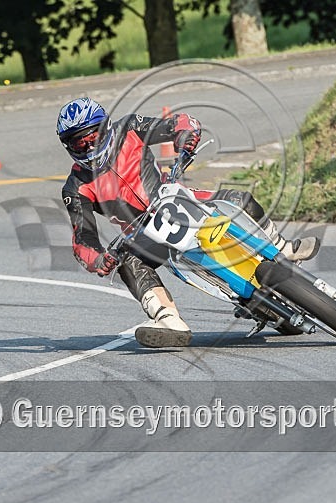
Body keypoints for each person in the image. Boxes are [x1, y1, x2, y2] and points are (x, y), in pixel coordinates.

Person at [57, 97, 319, 348]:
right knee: (128, 263)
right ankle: (167, 319)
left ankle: (281, 247)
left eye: (92, 138)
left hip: (176, 197)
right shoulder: (75, 187)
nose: (89, 148)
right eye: (79, 145)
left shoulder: (129, 127)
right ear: (68, 147)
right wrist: (99, 260)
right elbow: (83, 239)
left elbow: (178, 123)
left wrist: (186, 137)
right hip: (143, 232)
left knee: (239, 199)